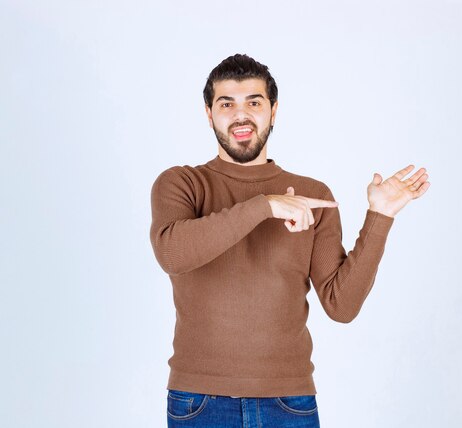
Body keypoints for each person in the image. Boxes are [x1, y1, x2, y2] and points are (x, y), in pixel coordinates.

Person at [149, 53, 430, 428]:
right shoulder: (181, 183)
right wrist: (265, 205)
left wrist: (381, 217)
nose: (240, 115)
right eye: (226, 104)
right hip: (199, 401)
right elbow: (173, 253)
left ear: (273, 110)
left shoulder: (312, 195)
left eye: (254, 102)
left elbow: (341, 306)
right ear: (208, 113)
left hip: (289, 403)